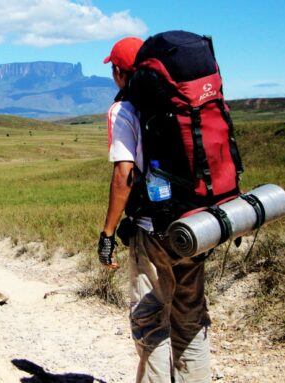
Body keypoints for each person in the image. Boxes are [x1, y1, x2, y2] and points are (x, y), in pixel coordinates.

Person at [98, 36, 212, 383]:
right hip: (198, 224)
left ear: (119, 72)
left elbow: (124, 175)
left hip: (153, 231)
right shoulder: (182, 101)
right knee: (191, 319)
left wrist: (106, 234)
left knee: (151, 320)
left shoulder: (124, 109)